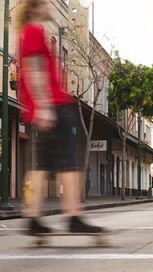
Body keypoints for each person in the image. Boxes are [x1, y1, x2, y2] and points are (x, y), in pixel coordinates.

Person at [18, 0, 103, 234]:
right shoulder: (34, 31)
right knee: (69, 163)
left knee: (42, 165)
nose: (50, 7)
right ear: (35, 6)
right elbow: (34, 68)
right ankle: (74, 217)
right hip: (54, 104)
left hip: (45, 105)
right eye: (45, 3)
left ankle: (33, 219)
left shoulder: (28, 32)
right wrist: (44, 105)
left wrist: (38, 106)